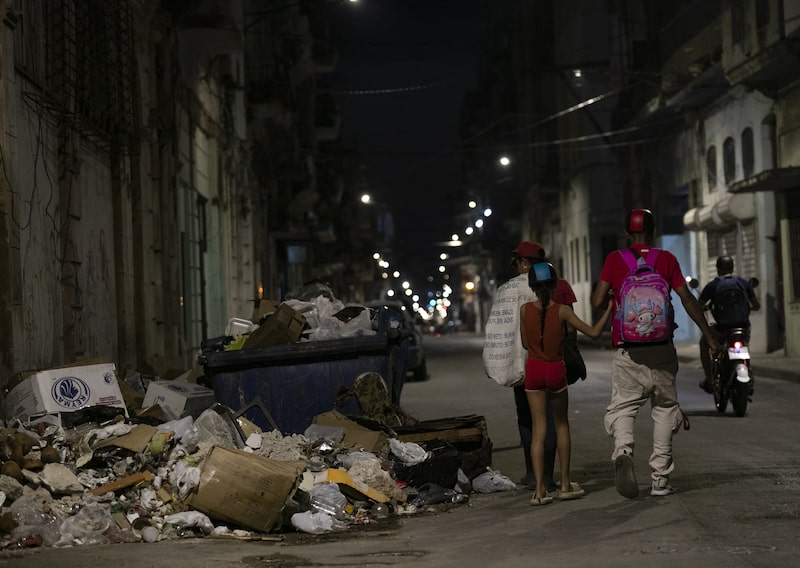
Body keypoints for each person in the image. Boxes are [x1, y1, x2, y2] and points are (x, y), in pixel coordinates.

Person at [591, 208, 721, 499]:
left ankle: (623, 450)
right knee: (664, 409)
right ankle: (660, 480)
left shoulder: (615, 259)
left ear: (627, 233)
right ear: (652, 231)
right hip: (662, 348)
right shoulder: (666, 259)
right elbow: (687, 298)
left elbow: (598, 300)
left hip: (629, 351)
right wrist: (710, 337)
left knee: (624, 408)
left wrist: (614, 298)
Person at [483, 241, 578, 491]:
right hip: (551, 363)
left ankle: (531, 474)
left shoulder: (506, 289)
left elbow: (499, 329)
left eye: (517, 263)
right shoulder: (560, 285)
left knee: (527, 419)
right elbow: (571, 330)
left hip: (522, 367)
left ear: (524, 263)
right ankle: (548, 476)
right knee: (554, 420)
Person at [521, 261, 613, 505]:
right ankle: (564, 485)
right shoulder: (562, 310)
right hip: (555, 370)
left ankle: (539, 491)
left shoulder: (524, 310)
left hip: (533, 371)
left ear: (532, 286)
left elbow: (525, 344)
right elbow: (593, 333)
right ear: (555, 285)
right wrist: (610, 308)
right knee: (561, 425)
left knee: (538, 430)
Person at [697, 255, 760, 393]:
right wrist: (748, 306)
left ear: (718, 269)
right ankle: (748, 370)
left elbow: (698, 306)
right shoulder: (743, 283)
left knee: (703, 343)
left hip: (722, 329)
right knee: (744, 345)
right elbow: (757, 305)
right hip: (742, 328)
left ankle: (710, 380)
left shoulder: (713, 285)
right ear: (732, 267)